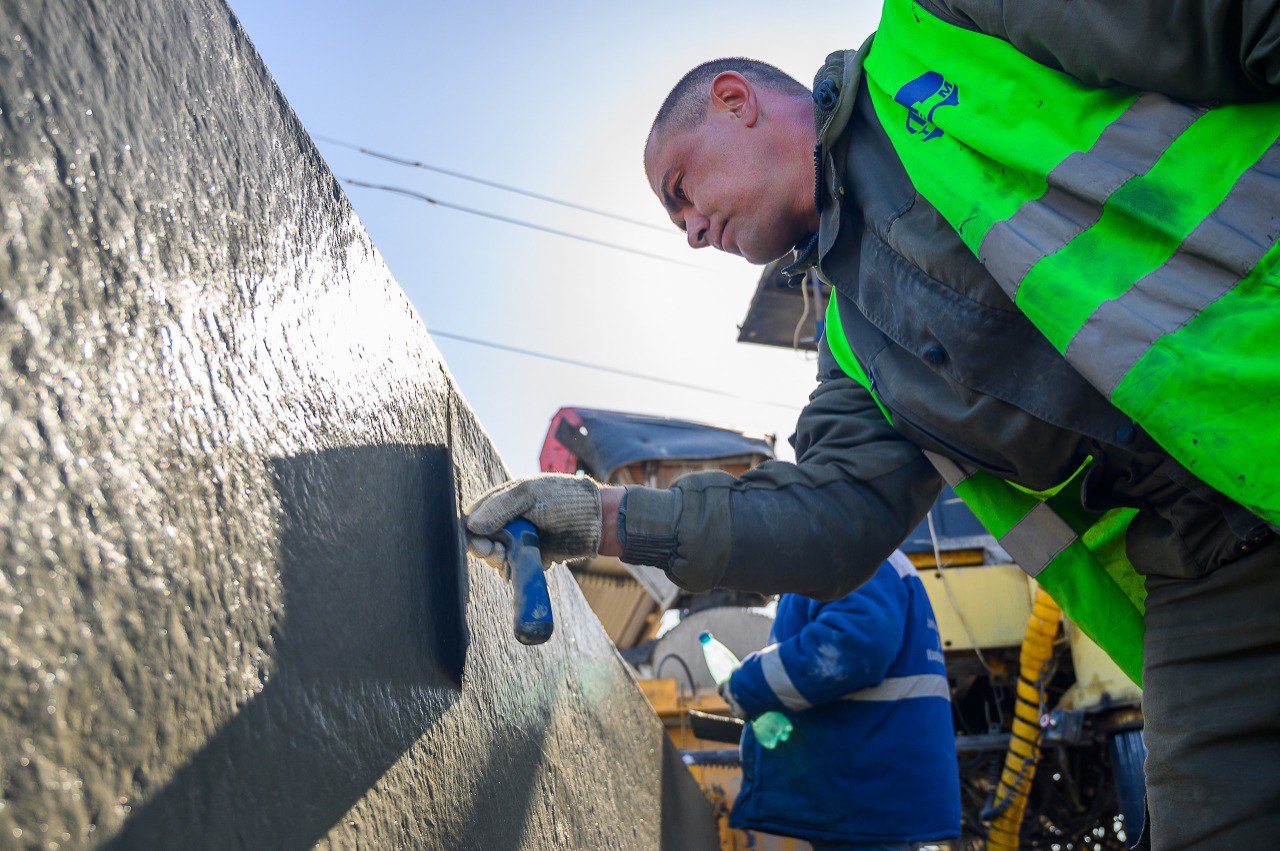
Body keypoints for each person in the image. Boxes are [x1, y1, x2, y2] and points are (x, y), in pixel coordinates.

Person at [466, 2, 1280, 847]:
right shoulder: (856, 346)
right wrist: (594, 516)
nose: (694, 234)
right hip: (1208, 560)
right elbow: (831, 516)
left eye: (684, 194)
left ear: (737, 101)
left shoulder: (949, 30)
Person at [723, 551, 960, 850]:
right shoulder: (864, 553)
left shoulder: (847, 553)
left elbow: (850, 647)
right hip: (865, 789)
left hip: (860, 788)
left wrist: (747, 684)